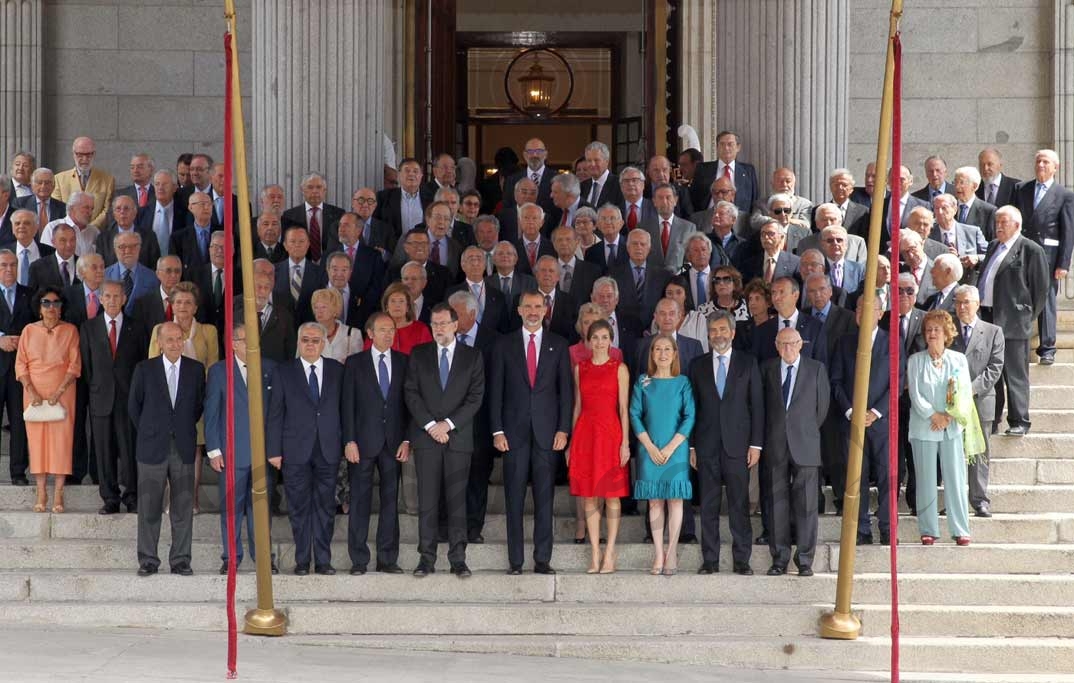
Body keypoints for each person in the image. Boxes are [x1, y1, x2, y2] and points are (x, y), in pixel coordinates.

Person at [489, 290, 573, 575]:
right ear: (519, 310)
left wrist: (564, 429)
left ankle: (542, 559)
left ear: (546, 309)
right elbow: (495, 392)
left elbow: (565, 393)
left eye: (539, 306)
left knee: (545, 499)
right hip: (512, 435)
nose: (534, 311)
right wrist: (497, 430)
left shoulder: (559, 345)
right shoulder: (503, 345)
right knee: (513, 499)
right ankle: (515, 561)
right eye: (529, 306)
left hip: (547, 434)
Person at [404, 304, 485, 578]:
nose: (438, 328)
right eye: (434, 323)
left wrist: (447, 425)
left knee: (457, 500)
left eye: (443, 323)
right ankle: (426, 559)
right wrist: (430, 426)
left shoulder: (472, 357)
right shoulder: (418, 354)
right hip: (427, 438)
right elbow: (411, 393)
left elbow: (475, 397)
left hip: (458, 438)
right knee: (427, 500)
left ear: (455, 324)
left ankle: (458, 559)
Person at [688, 310, 764, 575]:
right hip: (707, 446)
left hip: (739, 446)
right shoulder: (697, 365)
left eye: (723, 330)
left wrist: (756, 445)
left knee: (739, 504)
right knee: (708, 504)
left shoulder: (748, 362)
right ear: (708, 335)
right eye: (713, 331)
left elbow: (757, 405)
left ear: (732, 333)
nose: (718, 335)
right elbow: (693, 408)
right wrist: (692, 446)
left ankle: (741, 559)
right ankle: (710, 560)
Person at [267, 322, 345, 576]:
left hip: (328, 448)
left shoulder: (337, 370)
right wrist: (274, 450)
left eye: (315, 340)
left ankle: (323, 560)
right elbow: (275, 413)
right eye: (305, 340)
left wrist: (346, 442)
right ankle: (302, 560)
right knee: (298, 508)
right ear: (298, 343)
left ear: (323, 344)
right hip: (294, 450)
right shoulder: (284, 371)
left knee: (325, 508)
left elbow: (344, 411)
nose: (310, 344)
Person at [129, 322, 205, 576]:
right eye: (169, 339)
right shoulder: (144, 369)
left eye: (179, 338)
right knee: (149, 507)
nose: (175, 343)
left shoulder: (195, 370)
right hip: (152, 448)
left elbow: (197, 407)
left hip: (182, 446)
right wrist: (152, 431)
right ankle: (148, 560)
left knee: (183, 507)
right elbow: (134, 407)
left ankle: (181, 560)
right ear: (159, 342)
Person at [204, 323, 278, 574]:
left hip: (262, 453)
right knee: (232, 508)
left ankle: (263, 557)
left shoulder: (270, 368)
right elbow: (212, 411)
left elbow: (277, 413)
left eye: (253, 339)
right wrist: (214, 449)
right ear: (233, 343)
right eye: (244, 340)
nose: (250, 344)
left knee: (260, 509)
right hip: (232, 453)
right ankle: (231, 557)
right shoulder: (218, 371)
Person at [342, 312, 410, 575]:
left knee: (390, 501)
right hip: (362, 441)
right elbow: (347, 404)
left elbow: (408, 404)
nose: (388, 334)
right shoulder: (355, 363)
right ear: (370, 333)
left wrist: (406, 439)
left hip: (393, 443)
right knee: (359, 500)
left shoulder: (404, 362)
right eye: (382, 329)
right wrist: (349, 440)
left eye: (391, 329)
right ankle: (359, 559)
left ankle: (387, 558)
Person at [761, 327, 828, 576]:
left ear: (801, 344)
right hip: (775, 444)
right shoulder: (767, 369)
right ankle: (779, 559)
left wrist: (804, 430)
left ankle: (805, 560)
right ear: (776, 346)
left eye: (792, 343)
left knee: (807, 504)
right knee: (777, 504)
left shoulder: (816, 368)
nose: (787, 348)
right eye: (782, 344)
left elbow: (822, 409)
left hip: (806, 445)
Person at [830, 298, 898, 545]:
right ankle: (861, 529)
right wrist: (851, 411)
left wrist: (876, 412)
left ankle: (888, 528)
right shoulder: (844, 342)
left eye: (870, 309)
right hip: (852, 422)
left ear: (880, 314)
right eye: (859, 308)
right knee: (856, 477)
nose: (863, 313)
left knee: (886, 477)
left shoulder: (891, 342)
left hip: (881, 423)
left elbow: (897, 382)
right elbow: (835, 381)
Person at [907, 310, 978, 546]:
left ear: (946, 333)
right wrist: (933, 415)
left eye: (937, 329)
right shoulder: (915, 361)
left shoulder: (958, 360)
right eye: (928, 330)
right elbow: (915, 396)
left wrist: (947, 416)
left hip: (951, 427)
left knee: (956, 479)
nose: (932, 334)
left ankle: (960, 528)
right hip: (924, 427)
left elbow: (965, 392)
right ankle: (928, 529)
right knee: (926, 480)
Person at [977, 206, 1049, 435]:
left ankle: (1019, 420)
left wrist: (1025, 314)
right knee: (993, 373)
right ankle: (994, 419)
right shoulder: (992, 246)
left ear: (1017, 225)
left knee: (1015, 373)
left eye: (1003, 222)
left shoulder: (1030, 249)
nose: (998, 226)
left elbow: (1041, 290)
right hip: (987, 318)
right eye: (996, 222)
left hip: (1013, 322)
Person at [147, 281, 218, 513]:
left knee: (194, 449)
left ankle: (192, 499)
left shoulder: (208, 331)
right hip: (167, 400)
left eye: (188, 302)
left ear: (196, 307)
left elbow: (213, 366)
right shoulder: (160, 329)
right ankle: (172, 499)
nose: (183, 306)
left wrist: (199, 393)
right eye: (178, 302)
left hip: (196, 399)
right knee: (170, 448)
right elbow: (152, 365)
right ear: (171, 305)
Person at [567, 319, 630, 574]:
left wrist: (625, 443)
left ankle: (610, 551)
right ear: (588, 341)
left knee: (612, 495)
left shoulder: (620, 368)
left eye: (604, 337)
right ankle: (594, 552)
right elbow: (577, 406)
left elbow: (624, 409)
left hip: (610, 434)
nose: (600, 342)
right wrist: (572, 443)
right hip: (585, 434)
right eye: (595, 337)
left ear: (610, 340)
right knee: (590, 495)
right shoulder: (580, 368)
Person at [630, 334, 695, 575]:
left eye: (668, 349)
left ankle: (672, 551)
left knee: (675, 500)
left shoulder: (683, 382)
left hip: (675, 450)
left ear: (675, 354)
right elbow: (634, 414)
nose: (663, 353)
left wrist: (670, 448)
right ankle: (658, 553)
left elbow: (690, 416)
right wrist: (649, 446)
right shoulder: (642, 382)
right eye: (658, 349)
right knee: (655, 501)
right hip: (649, 449)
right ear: (652, 353)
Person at [80, 279, 147, 514]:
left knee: (129, 450)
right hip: (101, 399)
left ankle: (131, 496)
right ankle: (110, 498)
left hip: (128, 399)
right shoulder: (89, 328)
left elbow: (142, 365)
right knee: (104, 451)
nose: (112, 301)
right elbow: (87, 367)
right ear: (100, 299)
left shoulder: (137, 327)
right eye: (107, 296)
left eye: (116, 296)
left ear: (124, 299)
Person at [15, 286, 81, 513]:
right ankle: (41, 491)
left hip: (62, 392)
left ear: (62, 308)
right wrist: (31, 390)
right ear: (39, 308)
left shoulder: (70, 330)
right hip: (33, 392)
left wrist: (58, 392)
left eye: (56, 303)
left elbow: (74, 366)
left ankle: (59, 492)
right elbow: (20, 363)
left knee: (61, 441)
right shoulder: (28, 331)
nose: (51, 307)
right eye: (46, 303)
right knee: (37, 441)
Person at [1014, 149, 1074, 365]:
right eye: (1038, 161)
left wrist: (1063, 264)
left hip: (1048, 257)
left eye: (1045, 162)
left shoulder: (1064, 195)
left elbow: (1068, 232)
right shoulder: (1021, 189)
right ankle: (1020, 343)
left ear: (1055, 167)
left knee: (1047, 300)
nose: (1040, 165)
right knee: (1020, 298)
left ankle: (1047, 348)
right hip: (1022, 254)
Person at [951, 285, 1005, 518]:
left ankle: (979, 499)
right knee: (953, 451)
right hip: (952, 403)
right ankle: (954, 499)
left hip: (980, 400)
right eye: (958, 303)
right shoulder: (949, 328)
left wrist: (969, 390)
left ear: (977, 304)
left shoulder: (993, 331)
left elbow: (995, 367)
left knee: (979, 453)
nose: (961, 307)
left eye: (966, 302)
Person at [0, 250, 33, 485]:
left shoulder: (28, 294)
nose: (9, 269)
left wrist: (22, 339)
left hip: (20, 369)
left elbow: (36, 327)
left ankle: (18, 472)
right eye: (3, 265)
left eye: (13, 265)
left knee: (19, 421)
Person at [371, 282, 432, 355]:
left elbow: (429, 358)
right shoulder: (376, 328)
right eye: (393, 301)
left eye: (401, 301)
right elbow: (367, 358)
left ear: (408, 307)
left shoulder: (421, 329)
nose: (397, 305)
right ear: (386, 306)